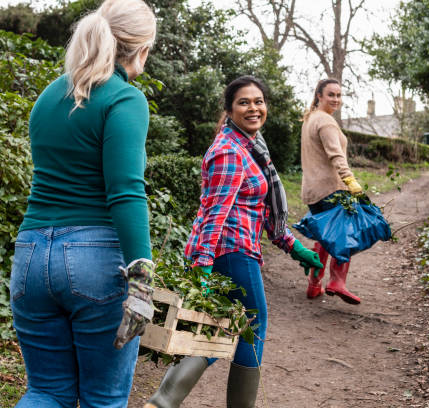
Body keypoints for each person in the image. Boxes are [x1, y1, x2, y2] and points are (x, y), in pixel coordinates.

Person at [9, 1, 156, 406]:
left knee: (46, 392)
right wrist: (142, 281)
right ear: (141, 49)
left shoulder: (49, 96)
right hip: (92, 261)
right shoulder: (125, 99)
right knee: (102, 399)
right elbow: (126, 191)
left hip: (31, 257)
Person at [145, 76, 323, 408]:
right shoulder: (229, 150)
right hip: (230, 251)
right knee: (251, 325)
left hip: (236, 249)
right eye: (244, 102)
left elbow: (259, 210)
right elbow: (214, 215)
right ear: (229, 110)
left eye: (259, 101)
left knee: (221, 329)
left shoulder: (252, 147)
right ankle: (164, 400)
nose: (253, 108)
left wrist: (293, 246)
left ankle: (162, 402)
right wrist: (203, 267)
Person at [300, 78, 363, 304]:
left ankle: (314, 285)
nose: (336, 99)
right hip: (331, 190)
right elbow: (336, 155)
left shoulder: (310, 119)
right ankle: (337, 281)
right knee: (344, 235)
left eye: (338, 95)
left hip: (312, 191)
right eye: (331, 95)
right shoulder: (325, 122)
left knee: (324, 238)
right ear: (319, 95)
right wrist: (350, 182)